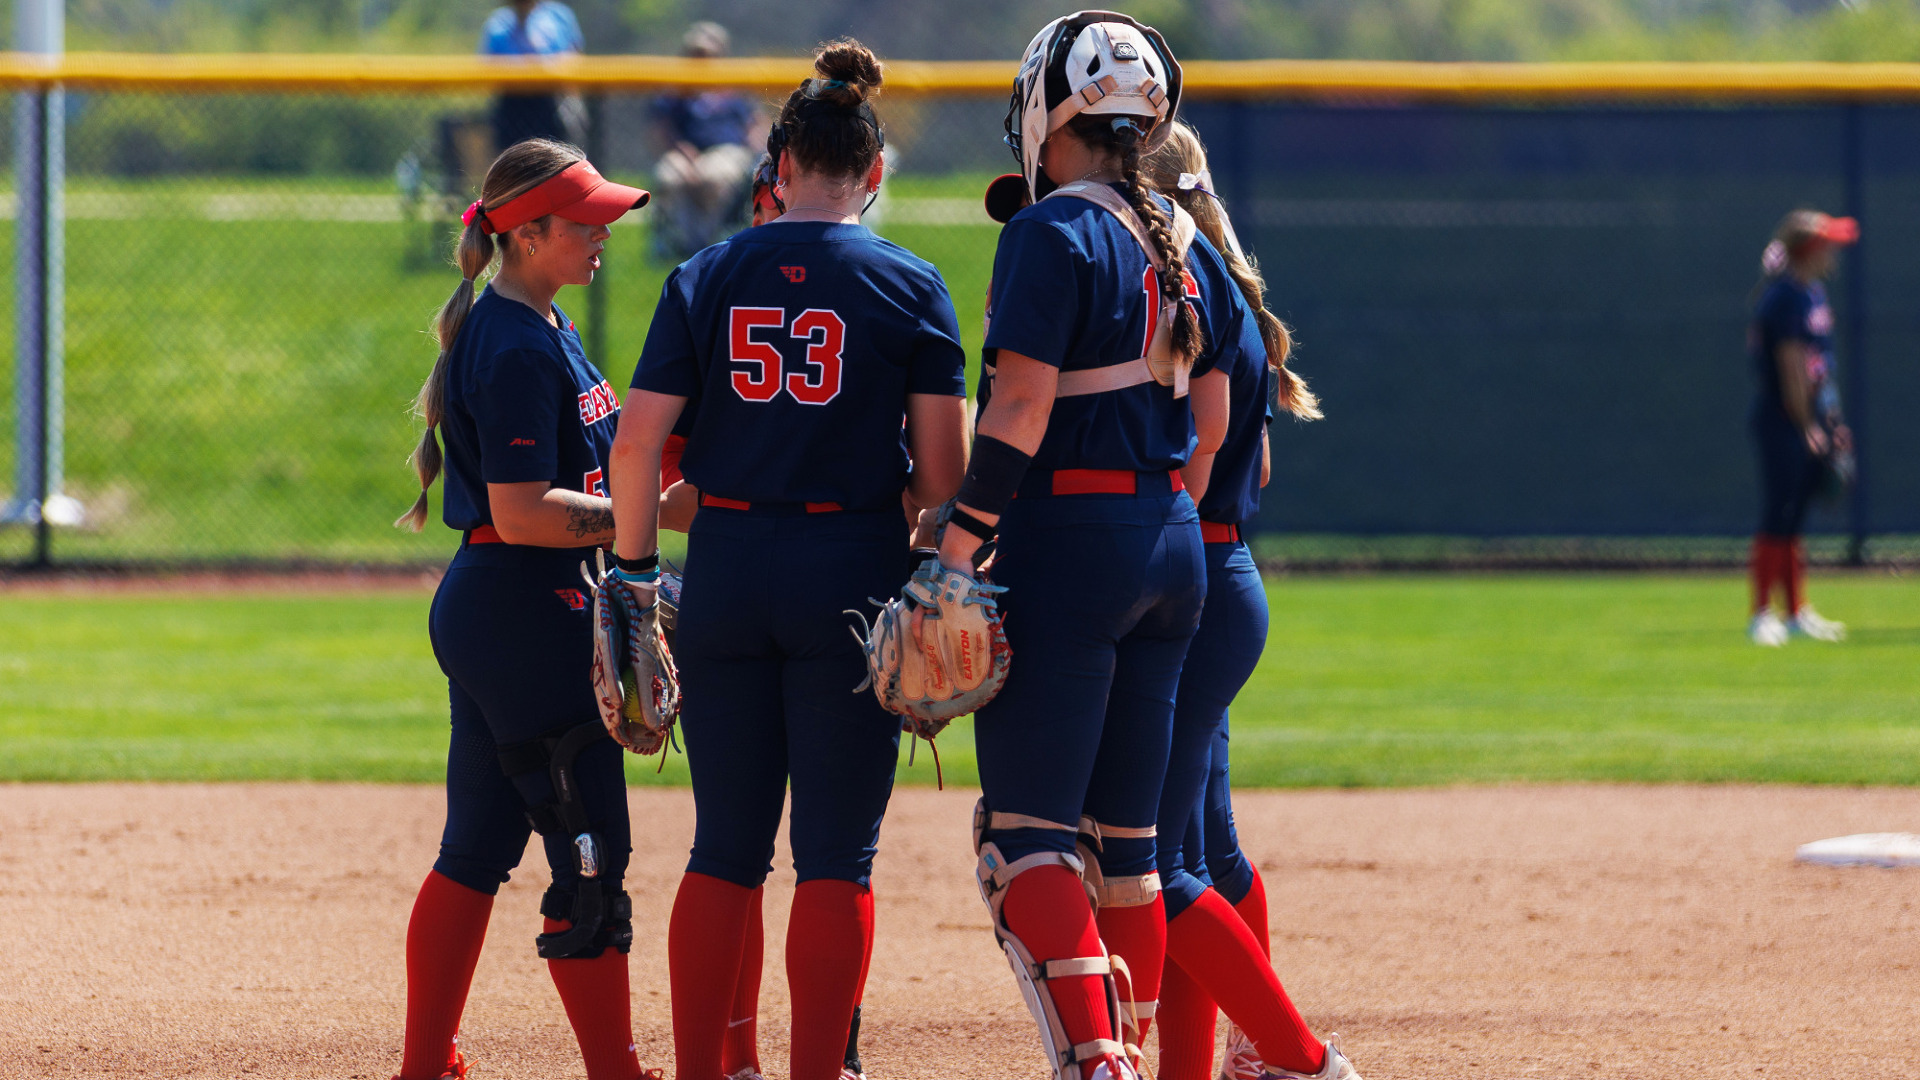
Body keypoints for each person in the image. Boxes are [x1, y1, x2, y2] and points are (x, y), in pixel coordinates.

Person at [931, 13, 1358, 1080]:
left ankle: (1104, 1064)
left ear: (1046, 110)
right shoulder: (1184, 233)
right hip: (1175, 545)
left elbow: (1021, 406)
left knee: (1025, 840)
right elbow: (1215, 439)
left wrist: (958, 547)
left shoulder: (1050, 230)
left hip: (1073, 537)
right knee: (1132, 859)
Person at [607, 38, 968, 1080]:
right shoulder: (910, 282)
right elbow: (942, 477)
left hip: (724, 561)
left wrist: (634, 577)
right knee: (835, 857)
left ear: (773, 171)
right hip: (848, 565)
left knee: (724, 848)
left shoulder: (707, 272)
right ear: (876, 171)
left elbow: (636, 445)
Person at [387, 139, 654, 1080]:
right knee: (593, 850)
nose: (604, 234)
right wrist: (643, 517)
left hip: (512, 606)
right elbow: (521, 509)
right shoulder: (507, 343)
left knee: (480, 843)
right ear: (527, 232)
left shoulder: (544, 322)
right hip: (522, 608)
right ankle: (614, 1071)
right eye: (585, 221)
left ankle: (427, 1065)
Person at [1137, 122, 1328, 1080]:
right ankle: (1235, 1056)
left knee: (1151, 863)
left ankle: (1293, 1054)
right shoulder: (1232, 293)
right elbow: (1254, 459)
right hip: (1228, 571)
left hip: (1192, 585)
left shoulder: (1177, 294)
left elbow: (1208, 452)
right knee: (1207, 841)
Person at [1747, 210, 1855, 647]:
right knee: (1779, 513)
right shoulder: (1786, 297)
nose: (1834, 251)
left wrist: (1832, 422)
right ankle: (1761, 614)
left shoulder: (1810, 292)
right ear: (1810, 249)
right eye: (1828, 242)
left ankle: (1795, 612)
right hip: (1782, 418)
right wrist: (1807, 424)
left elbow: (1818, 370)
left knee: (1794, 519)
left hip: (1807, 418)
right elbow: (1791, 369)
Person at [650, 22, 764, 260]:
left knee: (712, 177)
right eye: (695, 53)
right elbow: (662, 128)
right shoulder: (676, 90)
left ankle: (709, 242)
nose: (701, 58)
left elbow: (755, 124)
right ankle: (685, 244)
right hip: (685, 151)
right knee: (671, 176)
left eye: (707, 54)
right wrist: (680, 150)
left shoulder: (733, 88)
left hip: (726, 151)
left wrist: (759, 153)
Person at [479, 0, 586, 152]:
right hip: (513, 102)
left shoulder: (558, 15)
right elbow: (489, 67)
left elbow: (575, 57)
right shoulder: (499, 22)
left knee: (557, 158)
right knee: (514, 162)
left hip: (553, 100)